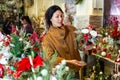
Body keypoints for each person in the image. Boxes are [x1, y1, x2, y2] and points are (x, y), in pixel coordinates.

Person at [42, 5, 86, 77]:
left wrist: (87, 45)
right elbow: (50, 58)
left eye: (62, 16)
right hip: (60, 73)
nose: (60, 19)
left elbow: (80, 45)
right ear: (50, 19)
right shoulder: (47, 38)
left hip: (75, 71)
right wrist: (69, 61)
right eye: (57, 16)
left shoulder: (72, 29)